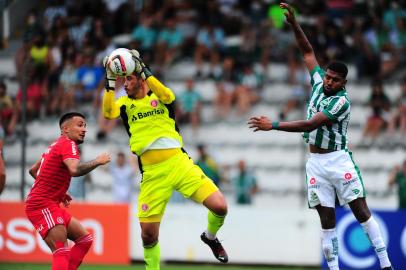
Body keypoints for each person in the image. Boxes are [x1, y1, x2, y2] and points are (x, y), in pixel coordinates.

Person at [248, 3, 392, 270]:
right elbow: (307, 52)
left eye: (335, 80)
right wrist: (295, 25)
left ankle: (385, 264)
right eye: (328, 77)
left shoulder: (341, 102)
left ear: (343, 83)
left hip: (338, 160)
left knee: (360, 212)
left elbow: (310, 125)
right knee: (327, 221)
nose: (329, 82)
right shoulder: (317, 83)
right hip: (316, 162)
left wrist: (274, 125)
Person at [102, 49, 228, 269]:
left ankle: (210, 236)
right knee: (148, 235)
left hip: (179, 164)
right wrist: (111, 80)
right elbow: (107, 112)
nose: (126, 84)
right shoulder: (124, 104)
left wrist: (143, 69)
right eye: (124, 80)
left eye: (129, 79)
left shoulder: (160, 97)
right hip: (152, 173)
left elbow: (168, 95)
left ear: (142, 81)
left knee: (220, 206)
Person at [24, 112, 111, 270]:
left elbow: (33, 170)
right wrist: (97, 161)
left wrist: (59, 193)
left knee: (85, 239)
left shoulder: (55, 145)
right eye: (79, 125)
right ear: (65, 129)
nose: (84, 129)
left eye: (85, 125)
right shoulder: (68, 144)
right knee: (61, 250)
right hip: (41, 204)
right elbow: (74, 169)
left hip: (50, 202)